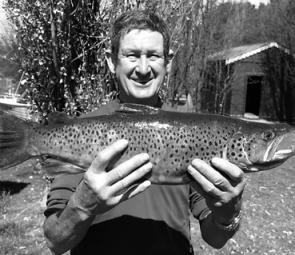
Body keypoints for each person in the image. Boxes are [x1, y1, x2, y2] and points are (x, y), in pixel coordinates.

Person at [43, 10, 246, 255]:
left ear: (168, 62)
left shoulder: (194, 132)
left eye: (153, 56)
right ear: (111, 60)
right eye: (132, 55)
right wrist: (83, 205)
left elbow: (214, 238)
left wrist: (228, 214)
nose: (143, 68)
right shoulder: (79, 131)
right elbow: (55, 240)